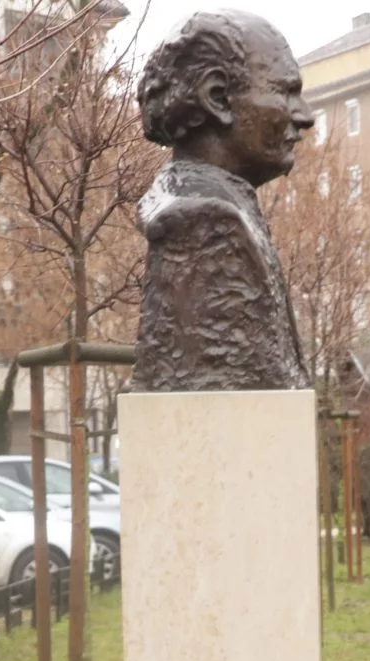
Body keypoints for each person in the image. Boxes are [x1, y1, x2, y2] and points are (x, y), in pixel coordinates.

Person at [132, 11, 312, 392]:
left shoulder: (227, 210)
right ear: (217, 98)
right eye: (286, 92)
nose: (305, 116)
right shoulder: (210, 224)